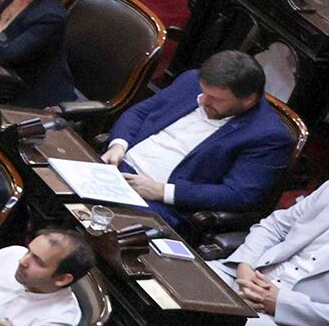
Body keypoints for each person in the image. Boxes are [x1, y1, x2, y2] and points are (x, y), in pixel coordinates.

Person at [98, 48, 292, 226]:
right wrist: (118, 145)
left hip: (156, 204)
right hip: (114, 168)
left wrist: (162, 191)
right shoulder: (191, 81)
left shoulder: (269, 135)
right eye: (204, 92)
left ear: (248, 100)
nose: (204, 100)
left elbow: (239, 194)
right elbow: (140, 113)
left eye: (216, 99)